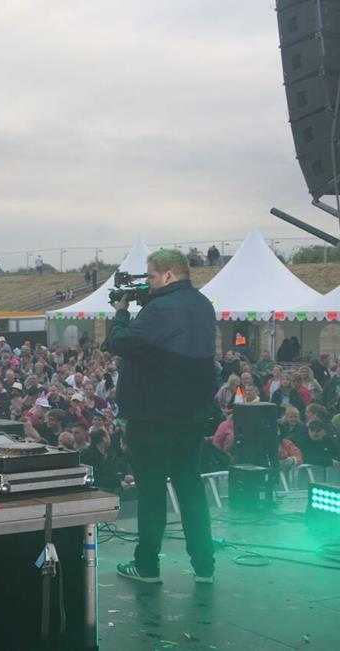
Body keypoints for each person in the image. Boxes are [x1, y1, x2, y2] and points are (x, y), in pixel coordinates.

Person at [107, 249, 217, 584]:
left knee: (152, 491)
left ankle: (147, 566)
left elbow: (120, 343)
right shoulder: (202, 304)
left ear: (168, 275)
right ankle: (204, 564)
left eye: (152, 276)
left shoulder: (161, 309)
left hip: (153, 416)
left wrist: (121, 313)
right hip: (191, 416)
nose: (148, 282)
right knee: (190, 487)